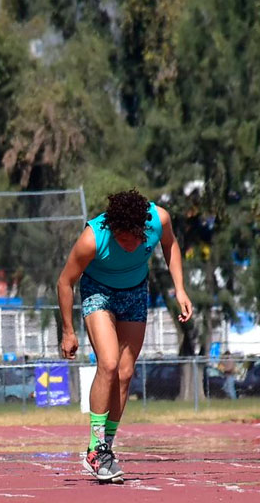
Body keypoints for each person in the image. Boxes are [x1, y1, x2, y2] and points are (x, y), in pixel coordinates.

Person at [58, 189, 193, 483]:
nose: (130, 245)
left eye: (135, 238)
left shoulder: (159, 220)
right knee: (108, 363)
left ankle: (105, 449)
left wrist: (180, 288)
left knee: (125, 372)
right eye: (123, 239)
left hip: (134, 292)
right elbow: (65, 282)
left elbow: (170, 246)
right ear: (113, 229)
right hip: (98, 292)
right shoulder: (93, 237)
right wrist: (68, 331)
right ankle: (94, 449)